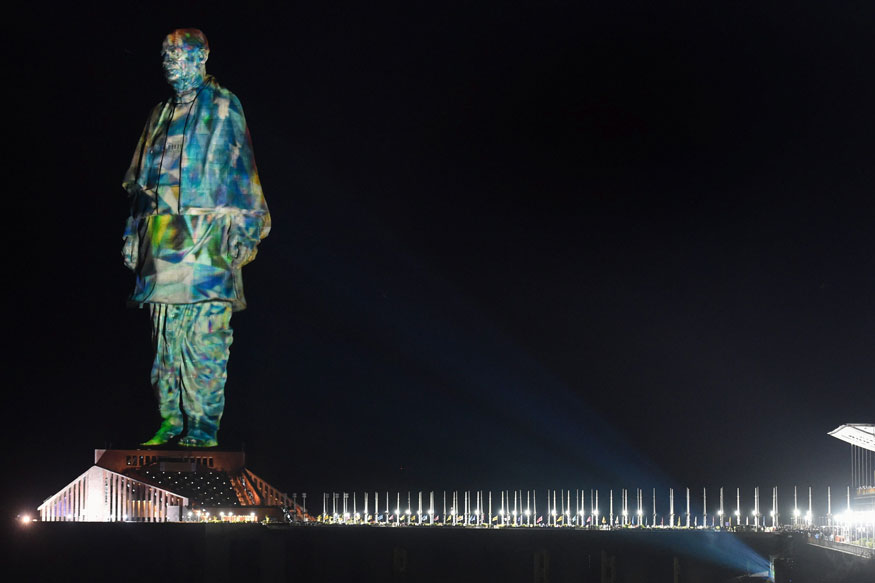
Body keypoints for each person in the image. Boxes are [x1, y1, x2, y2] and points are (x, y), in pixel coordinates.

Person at [122, 29, 270, 447]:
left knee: (203, 340)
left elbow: (241, 171)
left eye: (179, 53)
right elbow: (140, 187)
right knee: (164, 342)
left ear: (202, 55)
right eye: (165, 53)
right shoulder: (159, 113)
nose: (170, 61)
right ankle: (170, 419)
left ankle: (203, 427)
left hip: (207, 241)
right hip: (162, 241)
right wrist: (133, 233)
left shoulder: (224, 106)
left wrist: (245, 229)